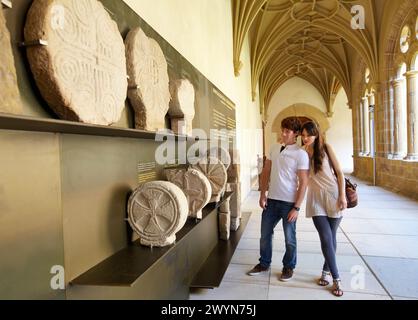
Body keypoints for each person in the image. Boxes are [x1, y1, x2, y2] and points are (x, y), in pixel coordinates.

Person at [248, 117, 309, 281]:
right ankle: (264, 263)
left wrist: (296, 207)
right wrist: (262, 194)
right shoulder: (274, 148)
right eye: (283, 130)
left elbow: (304, 182)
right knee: (264, 235)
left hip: (289, 203)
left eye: (287, 131)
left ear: (295, 134)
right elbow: (266, 171)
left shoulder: (300, 154)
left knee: (290, 238)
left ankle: (288, 267)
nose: (283, 133)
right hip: (271, 201)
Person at [300, 121, 347, 297]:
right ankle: (337, 279)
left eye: (308, 135)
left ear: (316, 134)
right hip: (315, 200)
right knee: (326, 238)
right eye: (303, 135)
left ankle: (325, 272)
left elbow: (340, 172)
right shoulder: (302, 154)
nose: (305, 138)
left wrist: (342, 195)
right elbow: (301, 180)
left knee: (332, 238)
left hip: (334, 196)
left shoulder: (326, 148)